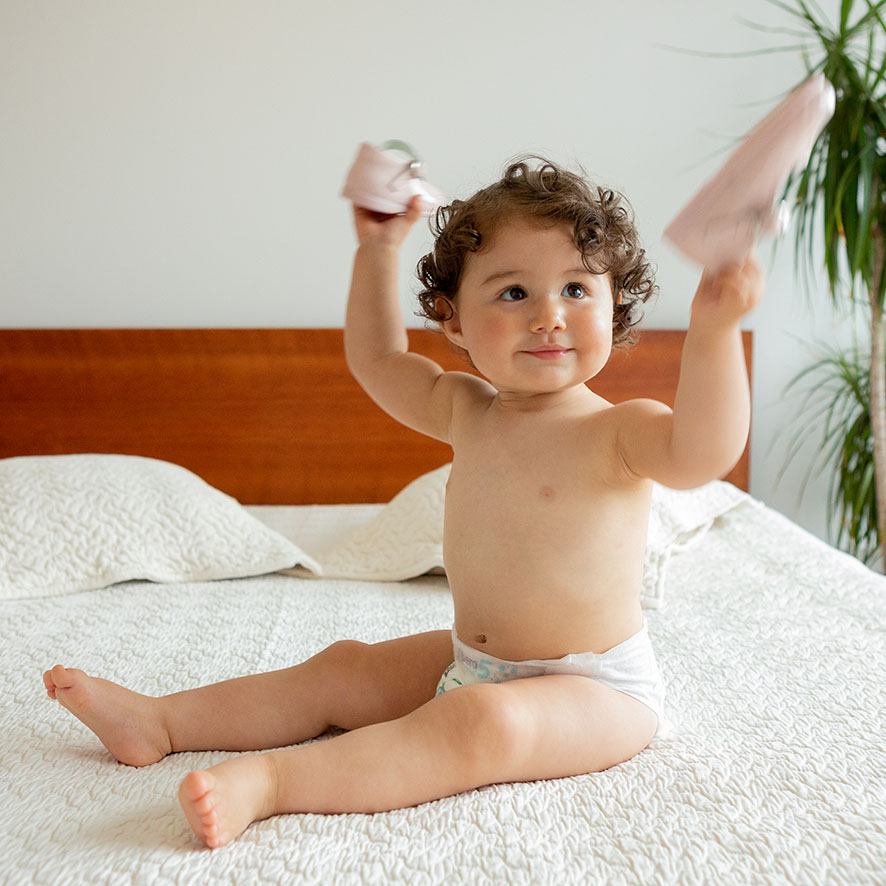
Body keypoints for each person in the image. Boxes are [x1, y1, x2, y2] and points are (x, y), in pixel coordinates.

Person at [43, 157, 763, 849]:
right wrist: (377, 249)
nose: (549, 316)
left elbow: (707, 450)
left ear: (616, 307)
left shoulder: (620, 429)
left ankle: (270, 783)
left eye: (577, 290)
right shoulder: (465, 409)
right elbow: (377, 360)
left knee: (483, 724)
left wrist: (718, 328)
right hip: (473, 659)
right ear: (452, 319)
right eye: (514, 293)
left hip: (598, 689)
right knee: (342, 668)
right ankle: (160, 722)